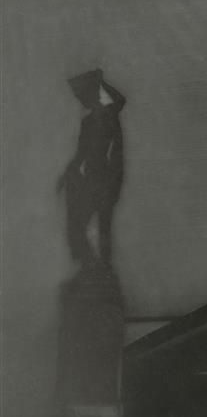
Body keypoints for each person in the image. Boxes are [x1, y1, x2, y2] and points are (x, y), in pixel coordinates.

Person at [57, 69, 126, 269]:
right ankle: (96, 267)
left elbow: (121, 100)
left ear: (91, 93)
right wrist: (66, 175)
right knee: (87, 226)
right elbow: (80, 155)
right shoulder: (88, 122)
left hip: (105, 179)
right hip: (94, 179)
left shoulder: (108, 115)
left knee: (102, 227)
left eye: (81, 96)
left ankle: (103, 268)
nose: (80, 100)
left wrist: (101, 82)